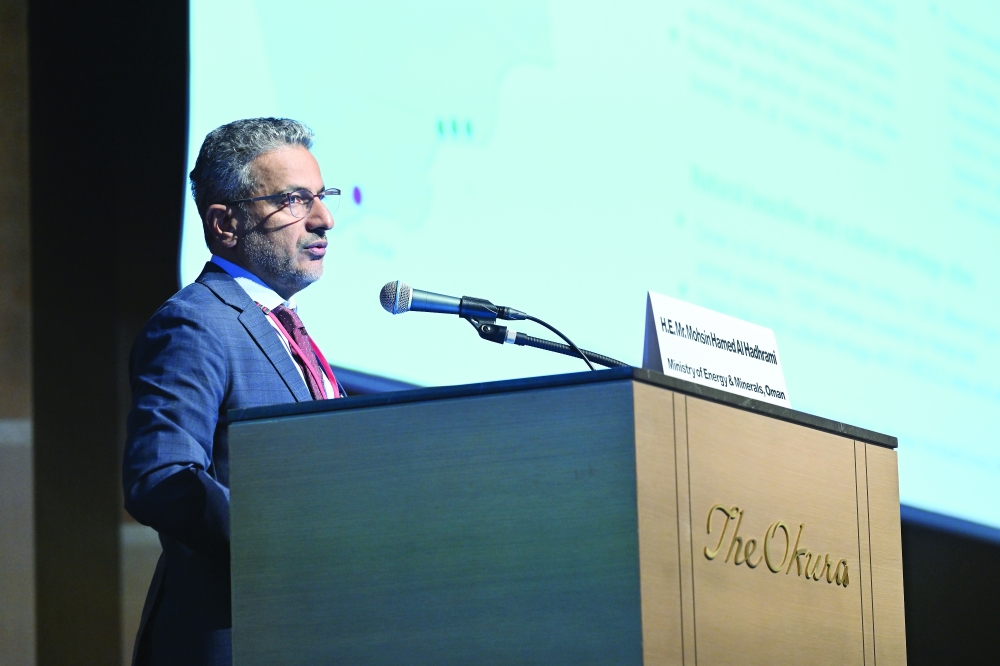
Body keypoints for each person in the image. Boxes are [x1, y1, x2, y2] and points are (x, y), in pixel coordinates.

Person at [122, 117, 344, 666]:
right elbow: (161, 478)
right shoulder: (195, 324)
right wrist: (289, 542)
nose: (324, 220)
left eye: (321, 196)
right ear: (224, 224)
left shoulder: (280, 326)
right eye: (295, 200)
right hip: (235, 640)